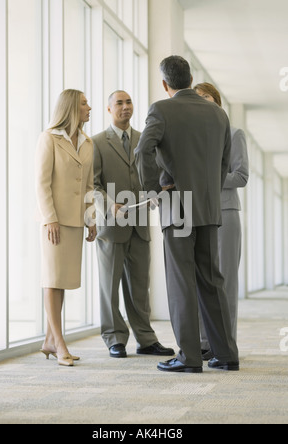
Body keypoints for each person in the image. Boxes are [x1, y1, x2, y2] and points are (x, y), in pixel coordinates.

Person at [135, 56, 239, 373]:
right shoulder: (218, 114)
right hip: (208, 205)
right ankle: (226, 355)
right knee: (212, 280)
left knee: (182, 282)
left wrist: (153, 189)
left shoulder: (162, 109)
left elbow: (143, 150)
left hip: (177, 203)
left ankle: (190, 357)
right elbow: (223, 163)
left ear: (166, 84)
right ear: (191, 79)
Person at [92, 90, 174, 359]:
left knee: (140, 286)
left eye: (129, 102)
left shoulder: (144, 140)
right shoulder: (96, 143)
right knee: (109, 286)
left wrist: (154, 193)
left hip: (140, 224)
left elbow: (155, 175)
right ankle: (114, 337)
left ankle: (146, 339)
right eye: (119, 103)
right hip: (111, 227)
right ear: (109, 109)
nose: (125, 107)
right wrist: (109, 205)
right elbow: (91, 186)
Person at [35, 89, 97, 367]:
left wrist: (91, 219)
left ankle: (50, 339)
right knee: (52, 279)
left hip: (75, 221)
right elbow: (42, 183)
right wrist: (50, 218)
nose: (89, 107)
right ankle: (60, 343)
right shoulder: (49, 138)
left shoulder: (87, 142)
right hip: (54, 223)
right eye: (84, 103)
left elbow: (89, 186)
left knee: (62, 282)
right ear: (71, 107)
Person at [194, 82, 249, 360]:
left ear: (217, 103)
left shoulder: (234, 133)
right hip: (199, 216)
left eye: (207, 98)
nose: (203, 102)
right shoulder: (193, 137)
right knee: (203, 280)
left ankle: (226, 346)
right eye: (198, 98)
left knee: (226, 283)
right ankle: (205, 343)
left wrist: (208, 181)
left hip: (226, 215)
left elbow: (241, 176)